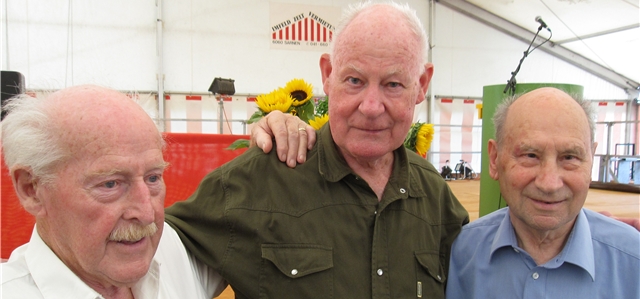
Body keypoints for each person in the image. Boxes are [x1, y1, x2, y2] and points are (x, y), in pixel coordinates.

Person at [165, 2, 468, 298]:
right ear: (327, 74)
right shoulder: (262, 178)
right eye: (354, 80)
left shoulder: (435, 198)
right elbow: (155, 254)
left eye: (393, 84)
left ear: (422, 84)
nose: (372, 106)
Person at [0, 85, 226, 298]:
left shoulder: (173, 248)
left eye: (153, 178)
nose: (147, 215)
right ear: (32, 189)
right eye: (111, 184)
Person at [445, 87, 640, 298]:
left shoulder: (633, 260)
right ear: (494, 159)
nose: (549, 184)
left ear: (591, 160)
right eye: (530, 155)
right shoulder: (461, 253)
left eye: (569, 157)